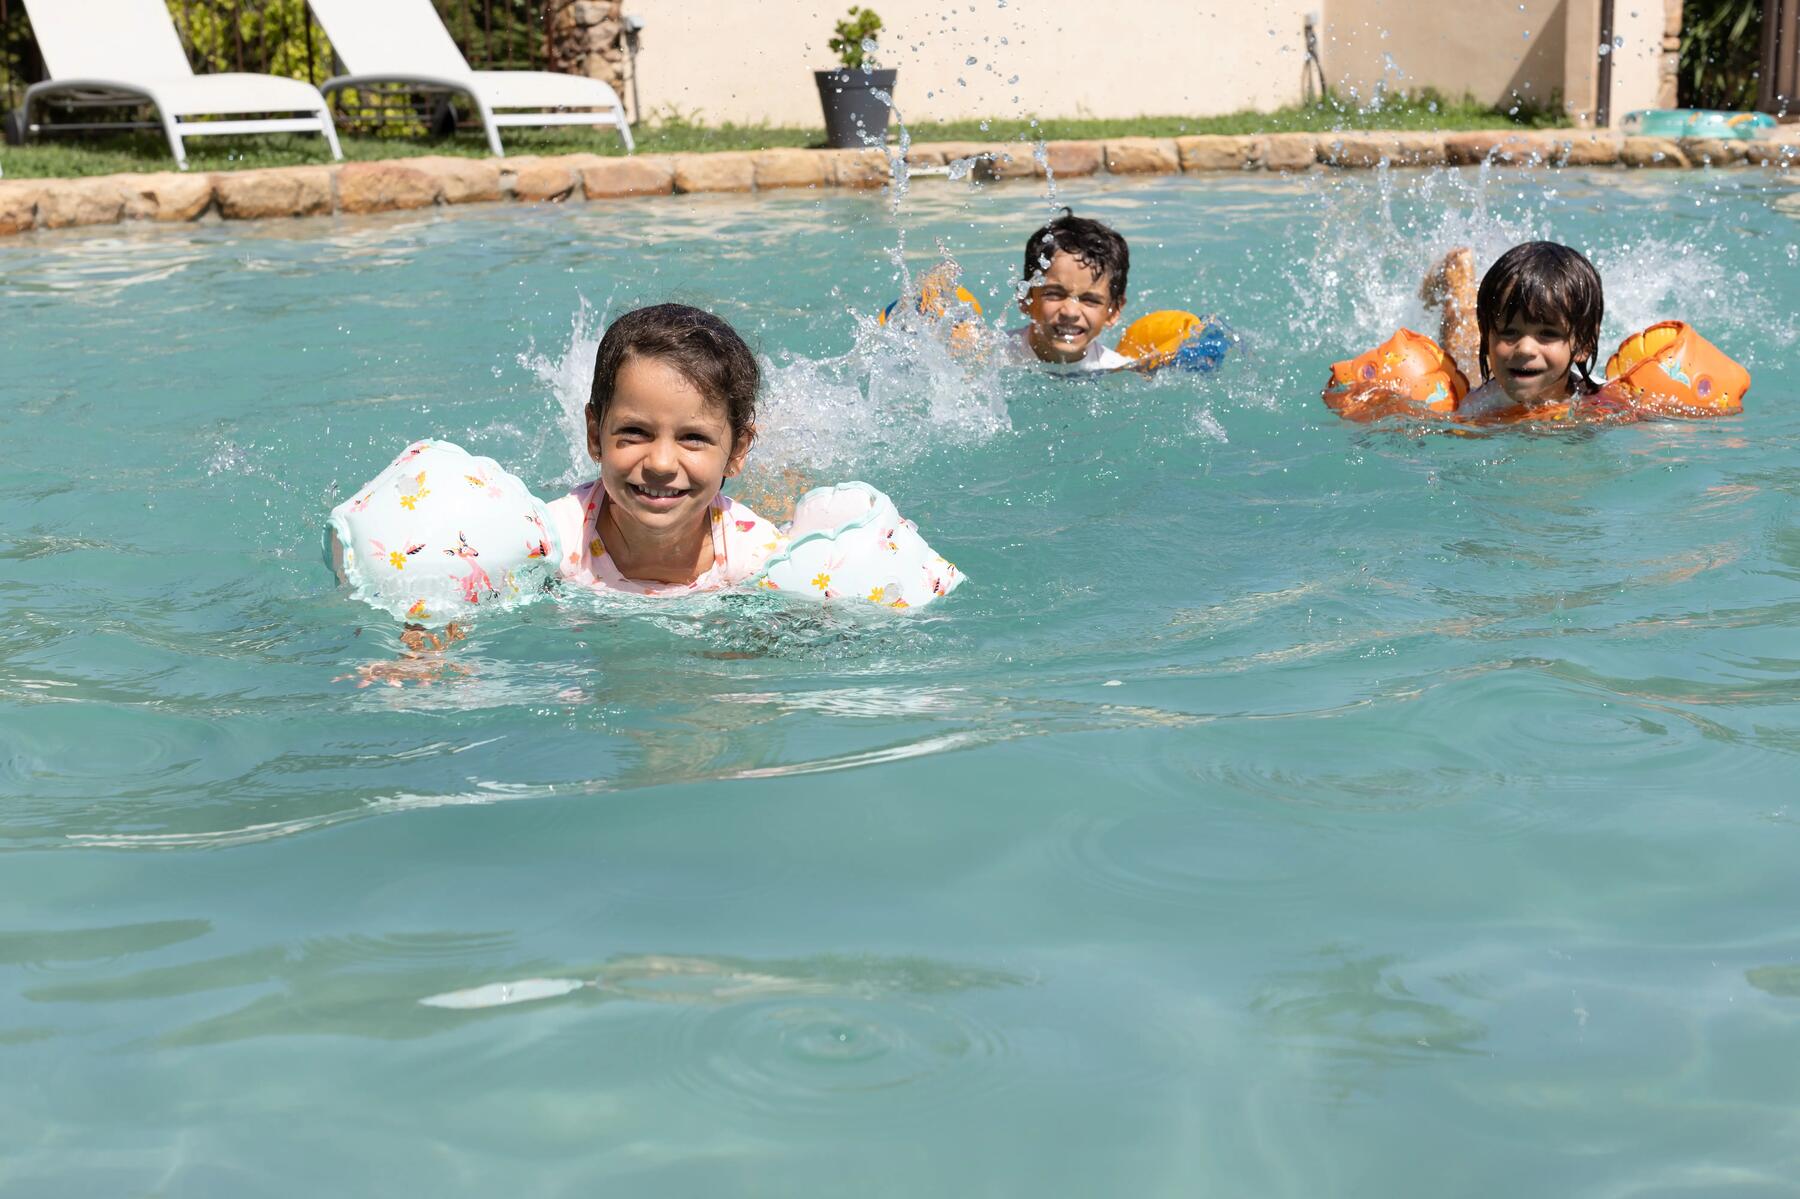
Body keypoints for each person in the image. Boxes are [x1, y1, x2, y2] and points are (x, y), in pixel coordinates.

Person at [547, 303, 784, 596]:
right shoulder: (552, 544)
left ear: (736, 453)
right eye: (635, 432)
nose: (660, 464)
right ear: (595, 436)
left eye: (693, 437)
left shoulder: (756, 562)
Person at [1422, 241, 1620, 423]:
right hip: (1484, 383)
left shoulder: (1604, 402)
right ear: (1487, 335)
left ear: (1584, 343)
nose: (1525, 349)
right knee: (1461, 350)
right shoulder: (1473, 409)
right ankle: (1456, 272)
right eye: (1509, 332)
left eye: (1547, 334)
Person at [1010, 209, 1134, 371]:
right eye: (1054, 294)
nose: (1070, 312)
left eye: (1090, 300)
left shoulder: (1116, 373)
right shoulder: (991, 357)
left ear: (1113, 311)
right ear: (1025, 297)